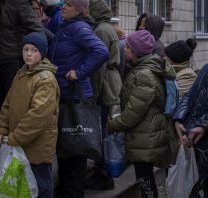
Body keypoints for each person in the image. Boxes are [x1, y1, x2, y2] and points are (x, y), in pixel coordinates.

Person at [47, 0, 109, 196]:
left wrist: (79, 73)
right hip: (65, 95)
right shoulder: (66, 25)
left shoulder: (79, 28)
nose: (64, 7)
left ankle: (72, 193)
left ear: (79, 11)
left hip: (75, 96)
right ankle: (68, 191)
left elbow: (101, 51)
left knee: (75, 151)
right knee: (66, 150)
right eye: (64, 3)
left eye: (69, 5)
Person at [108, 30, 176, 198]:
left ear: (136, 51)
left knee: (145, 179)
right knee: (145, 178)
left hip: (146, 136)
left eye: (128, 47)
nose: (124, 49)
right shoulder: (143, 68)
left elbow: (134, 112)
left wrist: (113, 124)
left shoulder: (144, 74)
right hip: (146, 133)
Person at [0, 32, 60, 198]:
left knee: (40, 185)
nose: (29, 54)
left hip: (37, 144)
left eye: (34, 50)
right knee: (23, 186)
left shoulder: (46, 79)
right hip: (18, 141)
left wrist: (15, 137)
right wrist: (2, 128)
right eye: (25, 49)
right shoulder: (21, 73)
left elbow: (38, 116)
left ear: (42, 53)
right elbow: (7, 104)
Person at [0, 0, 43, 133]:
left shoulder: (18, 3)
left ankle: (15, 141)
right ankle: (2, 142)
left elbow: (37, 30)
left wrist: (27, 55)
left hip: (12, 62)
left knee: (15, 106)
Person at [87, 0, 121, 190]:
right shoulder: (109, 27)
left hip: (105, 83)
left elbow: (98, 66)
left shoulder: (100, 30)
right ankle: (103, 171)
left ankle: (103, 174)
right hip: (112, 81)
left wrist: (93, 94)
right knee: (104, 129)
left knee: (101, 131)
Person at [173, 63, 208, 196]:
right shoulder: (206, 67)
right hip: (196, 142)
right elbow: (190, 94)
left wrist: (204, 125)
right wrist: (179, 118)